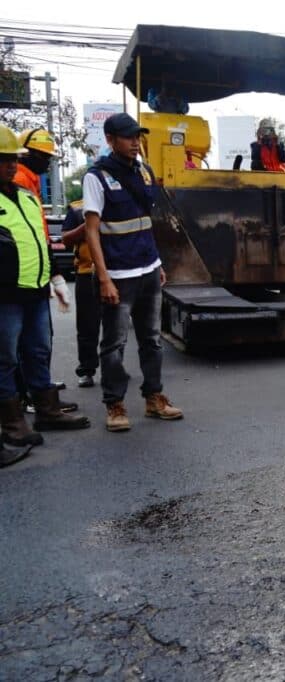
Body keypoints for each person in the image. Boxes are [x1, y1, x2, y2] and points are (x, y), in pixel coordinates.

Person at [83, 112, 183, 432]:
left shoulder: (145, 172)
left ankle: (154, 398)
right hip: (118, 274)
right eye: (128, 137)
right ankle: (114, 404)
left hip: (149, 269)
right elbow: (92, 232)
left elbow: (145, 224)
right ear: (110, 140)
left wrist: (158, 263)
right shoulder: (96, 178)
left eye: (137, 136)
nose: (135, 142)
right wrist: (103, 278)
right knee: (114, 344)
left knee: (151, 340)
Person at [0, 124, 88, 457]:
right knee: (5, 359)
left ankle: (46, 411)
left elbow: (39, 240)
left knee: (37, 351)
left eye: (13, 159)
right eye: (4, 159)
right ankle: (12, 423)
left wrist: (55, 279)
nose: (11, 165)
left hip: (35, 292)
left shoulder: (25, 195)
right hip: (6, 296)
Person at [60, 201, 101, 387]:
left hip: (117, 272)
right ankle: (87, 369)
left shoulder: (117, 202)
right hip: (86, 274)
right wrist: (85, 227)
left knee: (117, 325)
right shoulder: (76, 209)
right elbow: (66, 239)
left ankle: (114, 367)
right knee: (87, 326)